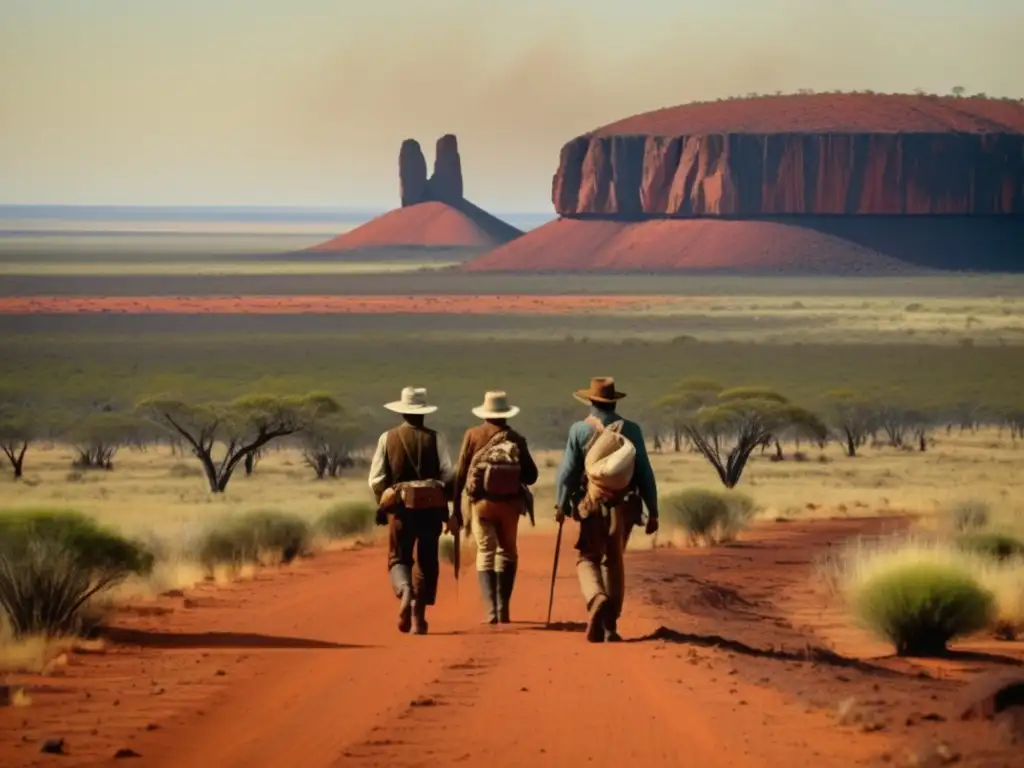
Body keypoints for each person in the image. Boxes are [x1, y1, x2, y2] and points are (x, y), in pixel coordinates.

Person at [554, 377, 659, 643]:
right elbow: (645, 472)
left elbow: (568, 472)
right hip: (625, 506)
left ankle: (596, 597)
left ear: (591, 401)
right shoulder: (632, 430)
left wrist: (561, 503)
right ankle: (611, 626)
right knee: (614, 562)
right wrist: (653, 510)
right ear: (614, 401)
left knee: (587, 558)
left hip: (593, 503)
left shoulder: (579, 430)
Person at [368, 386, 455, 635]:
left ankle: (404, 590)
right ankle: (419, 618)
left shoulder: (388, 438)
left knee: (399, 558)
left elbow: (375, 479)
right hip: (431, 511)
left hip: (400, 511)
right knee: (427, 561)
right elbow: (448, 473)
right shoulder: (436, 438)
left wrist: (385, 501)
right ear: (424, 413)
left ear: (402, 412)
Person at [452, 391, 539, 625]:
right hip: (510, 505)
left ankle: (490, 611)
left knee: (485, 552)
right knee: (507, 552)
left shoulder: (472, 435)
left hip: (481, 505)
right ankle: (504, 609)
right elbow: (532, 476)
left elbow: (460, 473)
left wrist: (455, 510)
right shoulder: (516, 439)